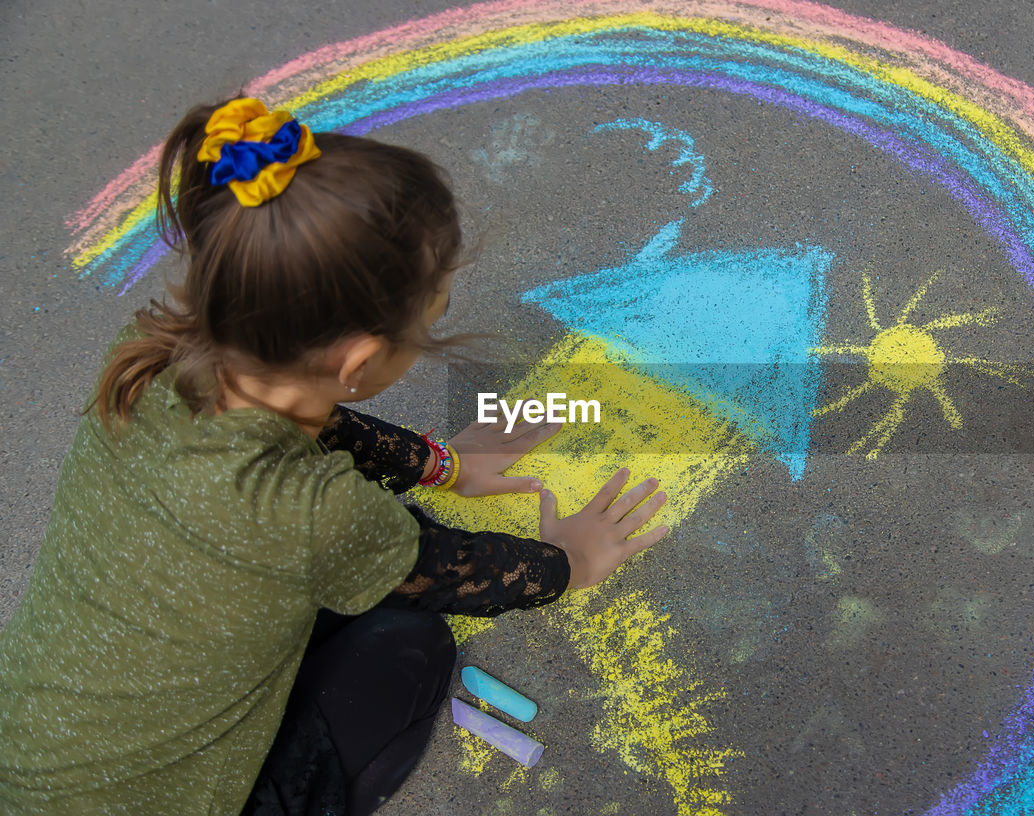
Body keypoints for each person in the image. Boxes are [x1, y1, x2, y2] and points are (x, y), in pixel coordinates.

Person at [0, 97, 670, 816]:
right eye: (434, 311)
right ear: (361, 358)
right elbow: (449, 573)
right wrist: (568, 562)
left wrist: (445, 465)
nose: (438, 316)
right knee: (412, 645)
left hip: (28, 749)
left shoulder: (151, 364)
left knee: (353, 571)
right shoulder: (315, 512)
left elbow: (316, 428)